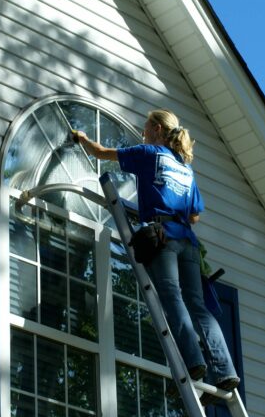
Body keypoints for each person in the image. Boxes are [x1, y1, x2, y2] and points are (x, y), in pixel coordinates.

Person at [72, 109, 239, 395]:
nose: (143, 131)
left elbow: (101, 153)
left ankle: (194, 361)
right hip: (187, 240)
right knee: (197, 305)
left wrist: (82, 138)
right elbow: (195, 215)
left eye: (146, 127)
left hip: (163, 238)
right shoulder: (186, 168)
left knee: (171, 297)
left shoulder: (150, 153)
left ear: (159, 129)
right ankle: (225, 370)